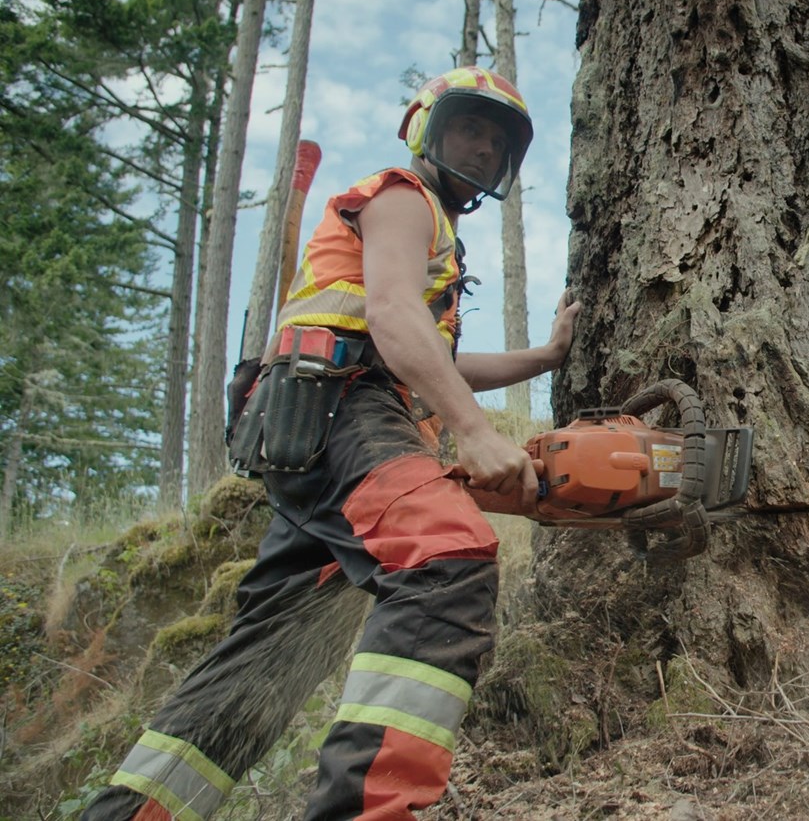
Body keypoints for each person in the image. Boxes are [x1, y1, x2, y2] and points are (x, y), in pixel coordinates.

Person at [81, 66, 579, 821]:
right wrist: (472, 433)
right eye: (470, 127)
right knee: (444, 554)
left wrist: (541, 360)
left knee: (268, 655)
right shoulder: (402, 199)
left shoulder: (430, 237)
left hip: (314, 428)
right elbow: (388, 317)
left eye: (498, 141)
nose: (482, 148)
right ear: (426, 128)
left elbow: (429, 356)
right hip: (343, 406)